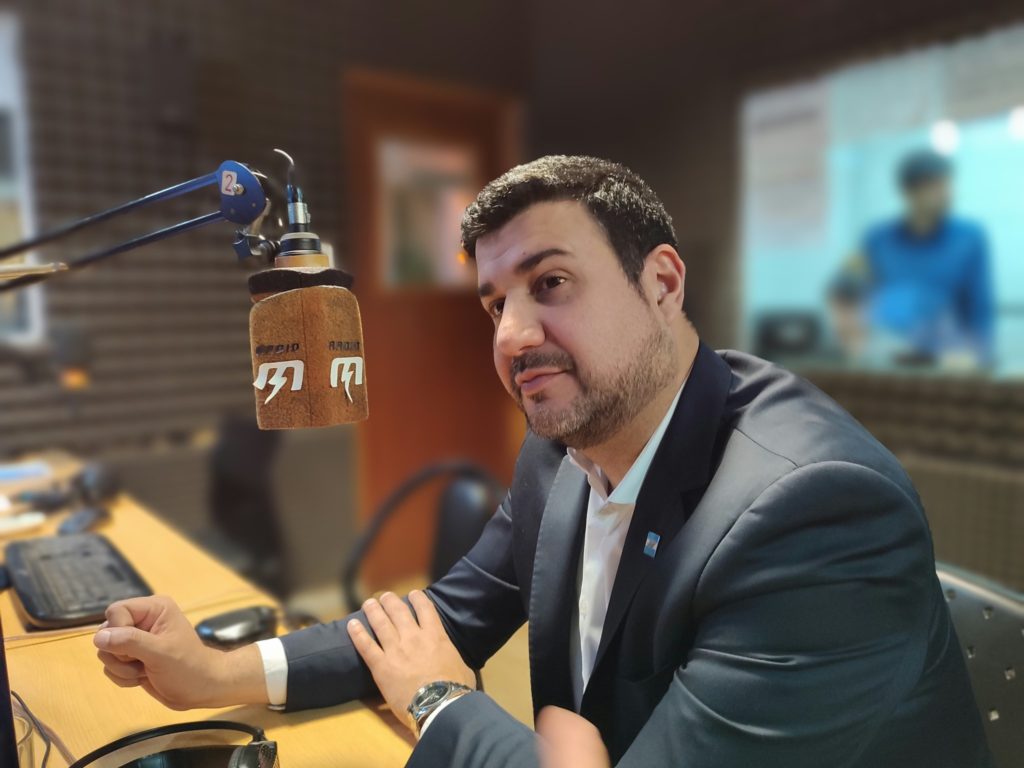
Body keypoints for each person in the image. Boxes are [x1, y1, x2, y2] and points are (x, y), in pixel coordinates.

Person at [94, 156, 991, 767]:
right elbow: (442, 619)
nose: (513, 335)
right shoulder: (562, 447)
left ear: (662, 283)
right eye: (495, 304)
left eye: (551, 283)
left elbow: (428, 666)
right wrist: (216, 671)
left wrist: (438, 701)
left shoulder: (817, 513)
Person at [830, 149, 995, 368]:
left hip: (950, 360)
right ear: (909, 191)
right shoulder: (877, 239)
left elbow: (980, 307)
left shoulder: (969, 238)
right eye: (936, 186)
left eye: (948, 184)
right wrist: (851, 336)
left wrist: (981, 356)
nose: (947, 194)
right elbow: (844, 287)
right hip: (889, 358)